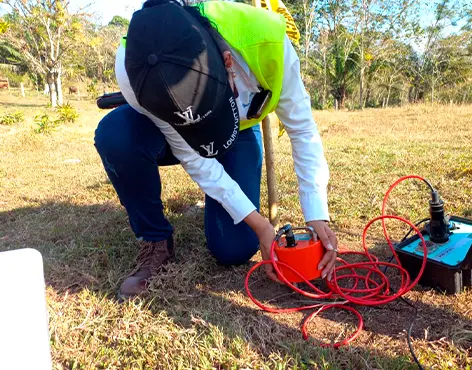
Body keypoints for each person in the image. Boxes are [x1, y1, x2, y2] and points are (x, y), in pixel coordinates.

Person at [94, 0, 338, 300]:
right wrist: (260, 224)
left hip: (241, 132)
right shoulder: (132, 65)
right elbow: (194, 158)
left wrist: (316, 214)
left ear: (227, 62)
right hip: (179, 136)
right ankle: (155, 239)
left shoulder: (269, 42)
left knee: (233, 248)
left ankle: (219, 209)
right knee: (116, 135)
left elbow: (302, 131)